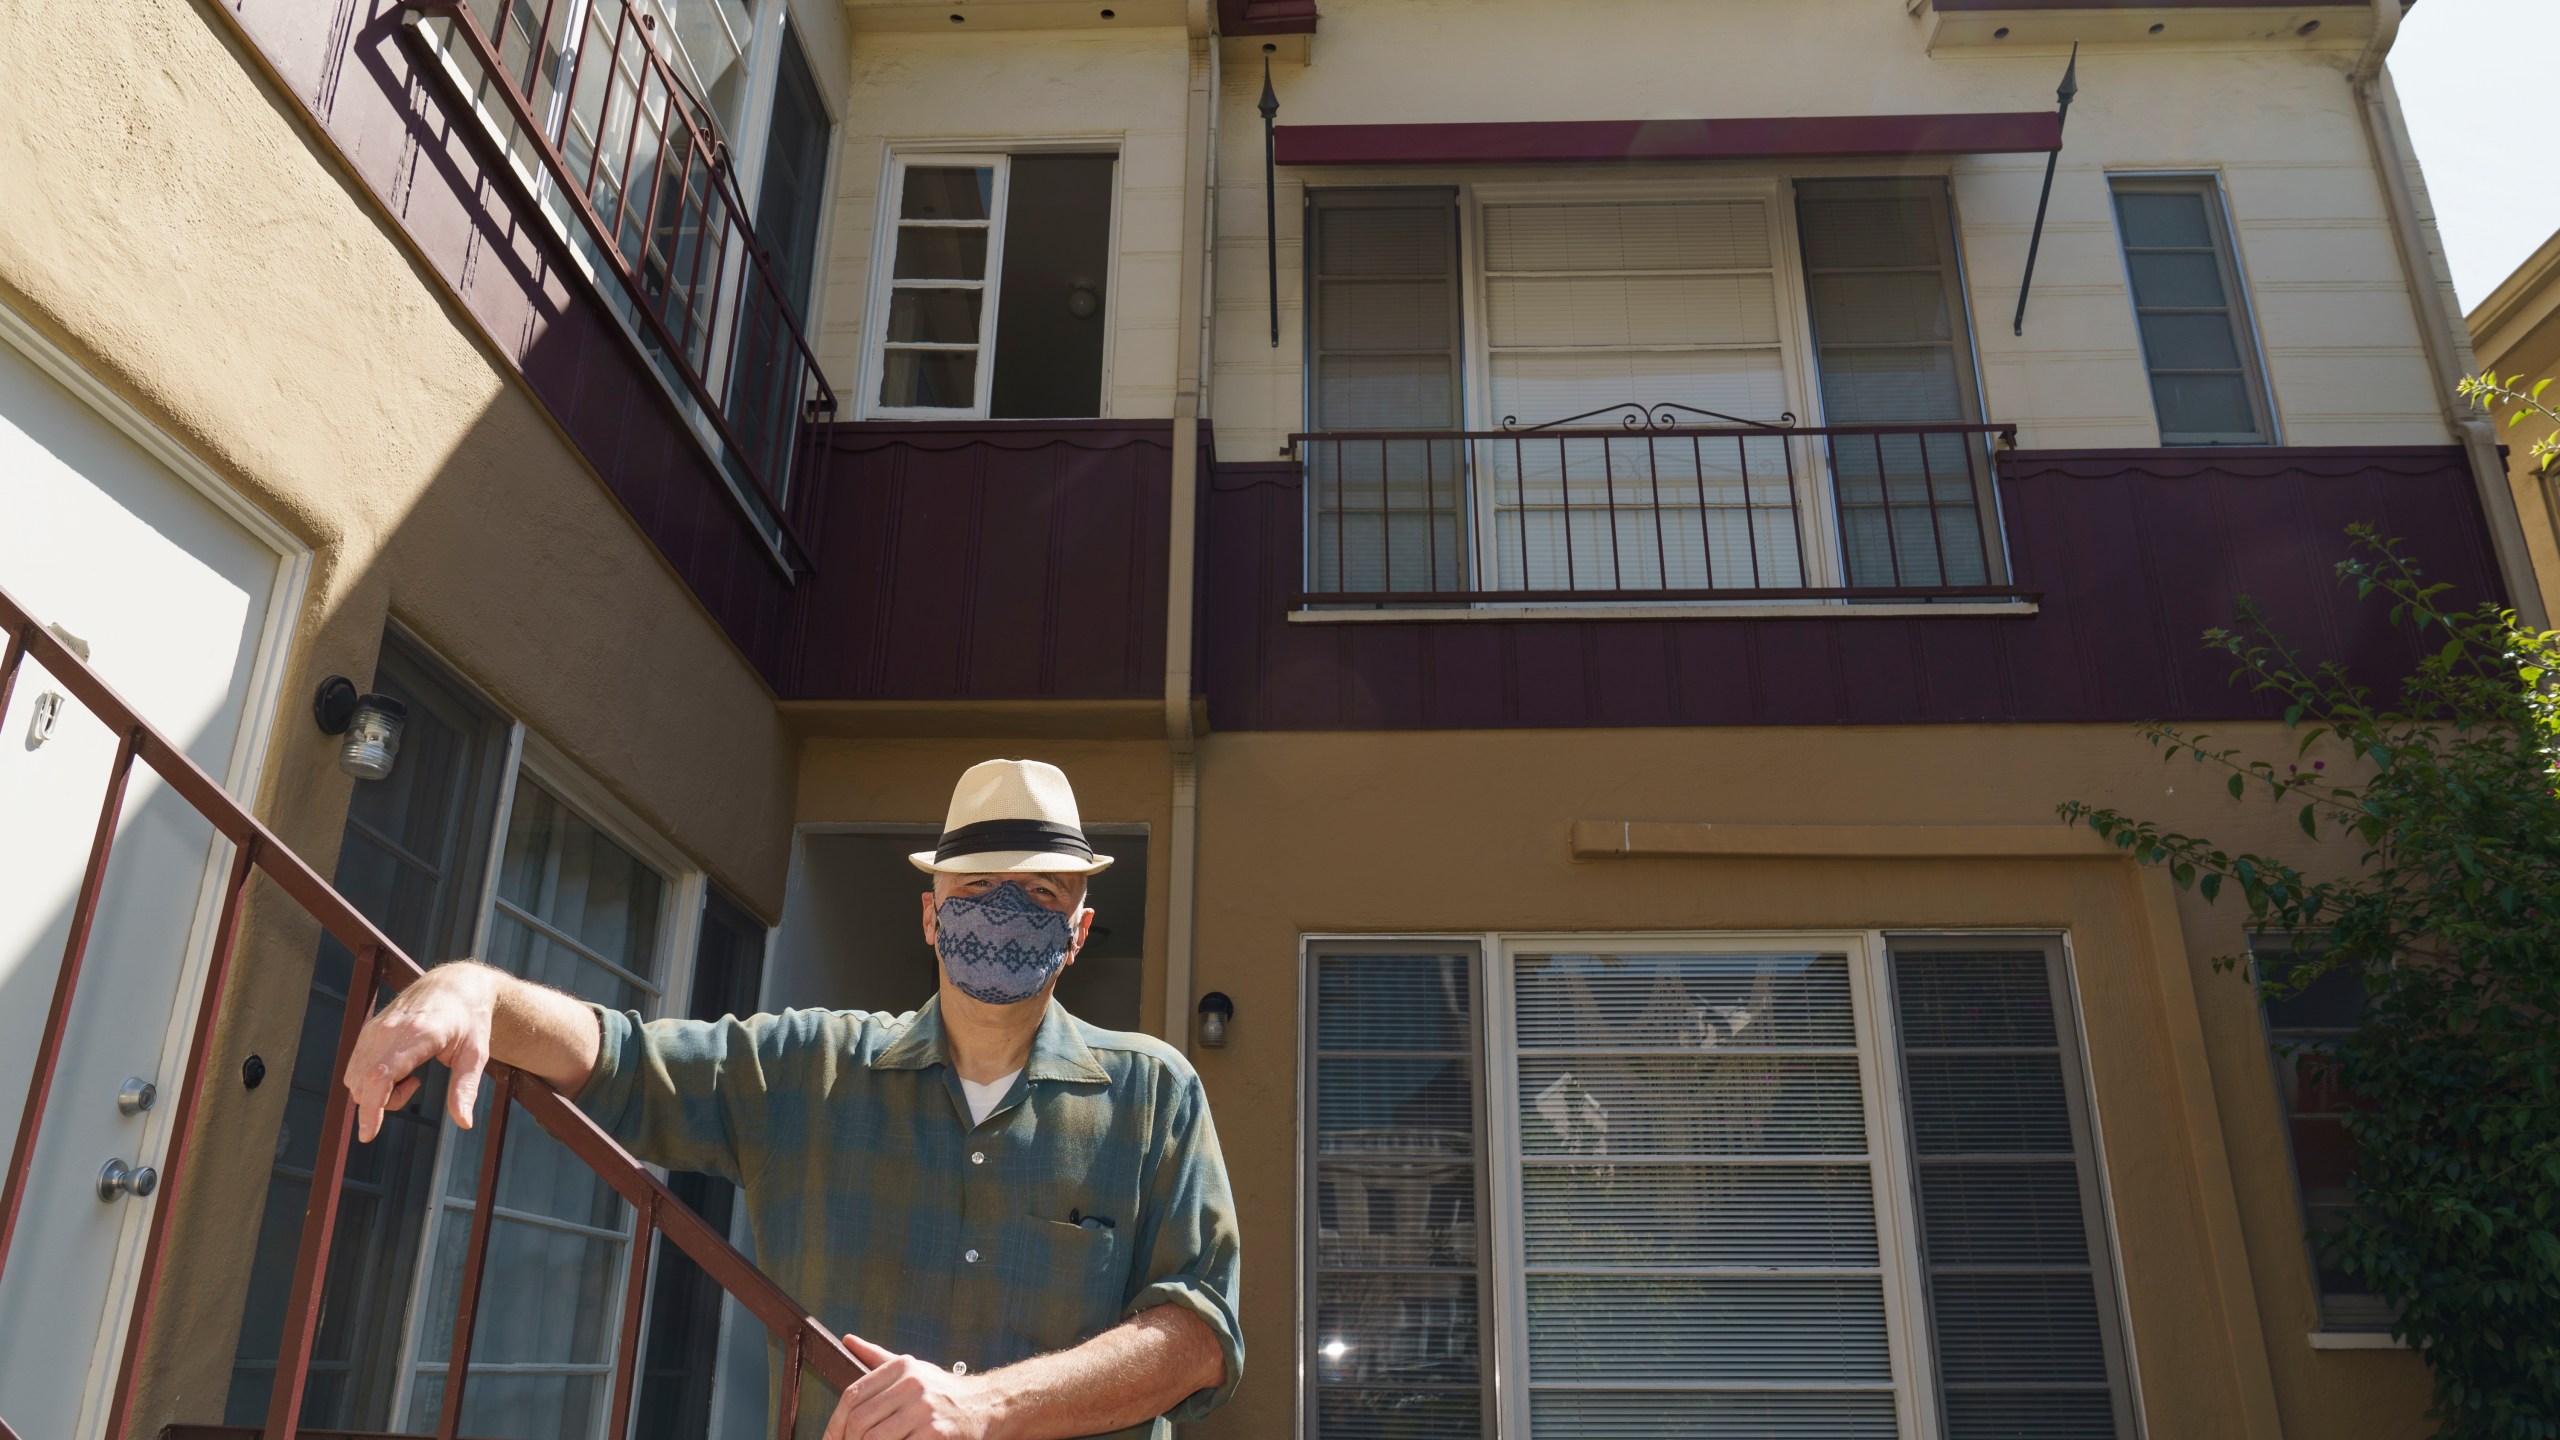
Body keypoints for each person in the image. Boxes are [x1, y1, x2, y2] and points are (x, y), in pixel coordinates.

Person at [341, 759, 1241, 1440]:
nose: (1004, 915)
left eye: (1040, 894)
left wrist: (983, 1406)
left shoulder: (1154, 1094)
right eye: (976, 891)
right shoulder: (809, 1067)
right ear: (931, 915)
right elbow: (618, 1058)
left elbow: (1199, 1334)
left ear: (1078, 931)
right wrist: (474, 994)